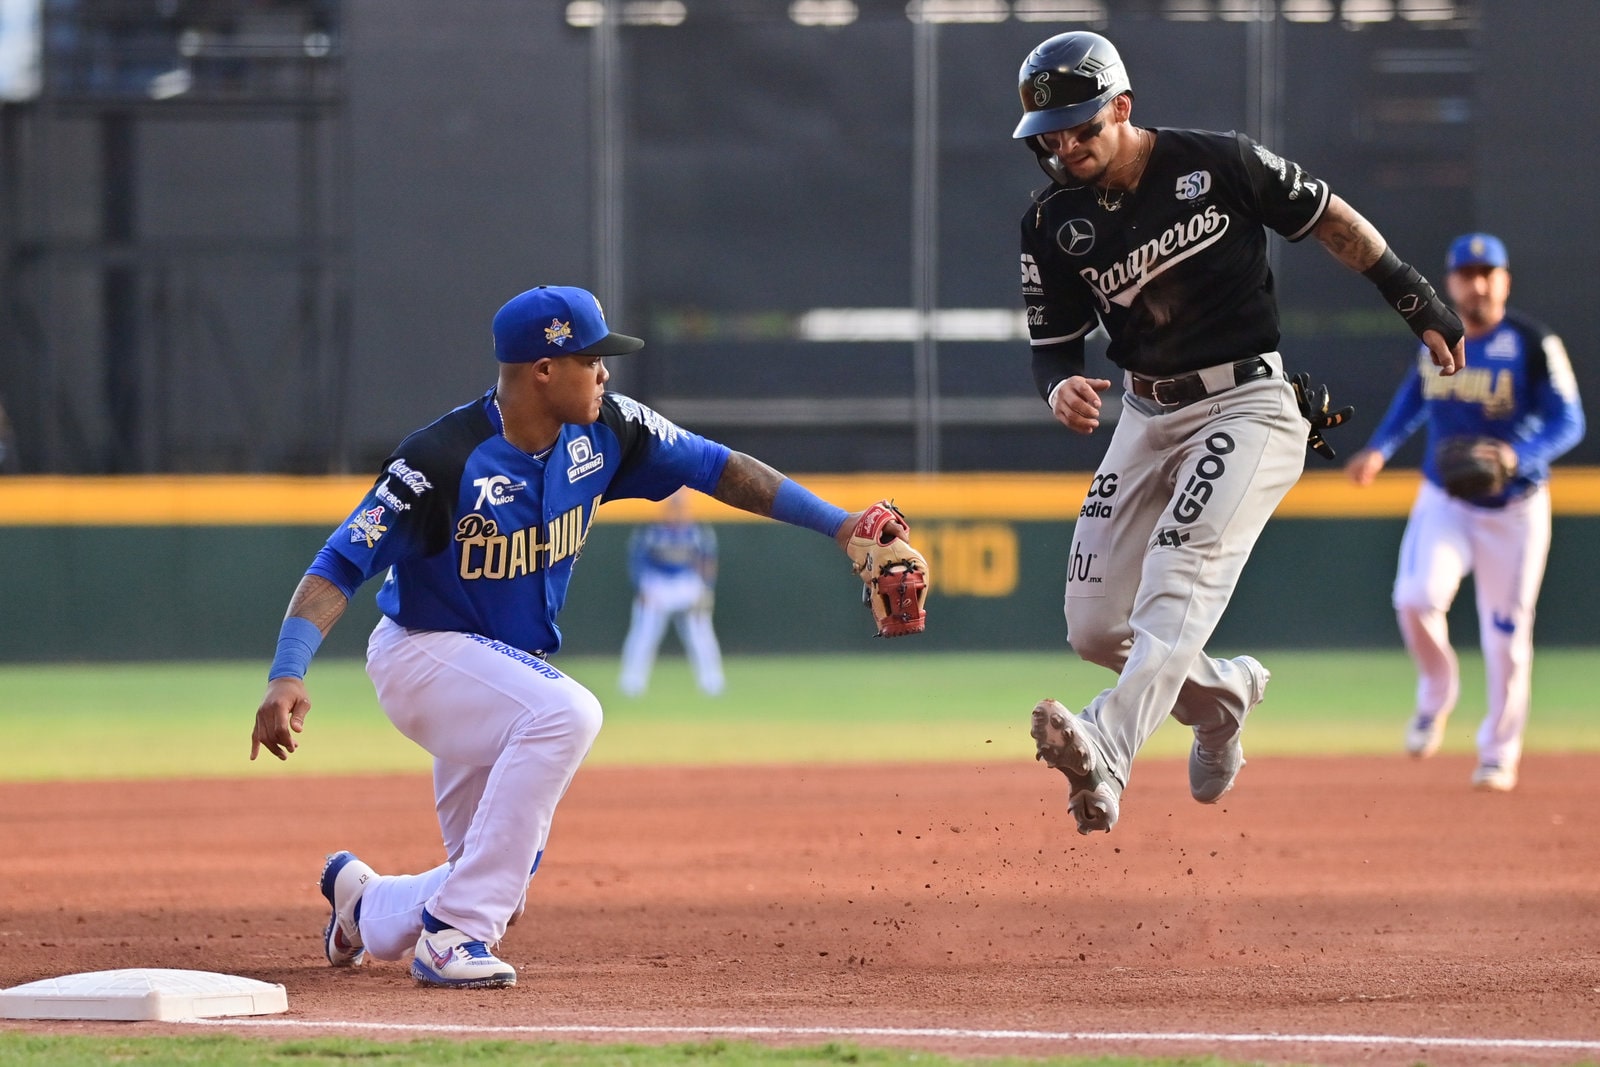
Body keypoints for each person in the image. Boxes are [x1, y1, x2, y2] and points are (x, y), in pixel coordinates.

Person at [249, 284, 919, 988]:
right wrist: (287, 671)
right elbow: (339, 562)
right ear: (544, 369)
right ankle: (451, 937)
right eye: (591, 358)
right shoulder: (442, 459)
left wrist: (842, 524)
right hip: (422, 654)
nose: (605, 373)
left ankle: (363, 901)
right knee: (567, 713)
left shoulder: (609, 431)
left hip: (500, 672)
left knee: (498, 870)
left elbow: (719, 467)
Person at [1012, 31, 1465, 835]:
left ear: (1122, 108)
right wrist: (1059, 389)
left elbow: (1327, 217)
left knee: (1176, 576)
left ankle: (1109, 748)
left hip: (1247, 402)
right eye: (1051, 134)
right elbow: (1053, 347)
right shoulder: (1051, 221)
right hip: (1145, 413)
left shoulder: (1217, 161)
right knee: (1092, 624)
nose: (1067, 146)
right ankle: (1221, 701)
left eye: (1083, 126)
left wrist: (1412, 292)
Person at [1344, 234, 1585, 792]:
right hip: (1444, 499)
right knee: (1414, 599)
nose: (1477, 283)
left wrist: (1516, 455)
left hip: (1515, 508)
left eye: (1488, 272)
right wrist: (1380, 447)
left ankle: (1499, 754)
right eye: (1466, 273)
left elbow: (1569, 422)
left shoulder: (1531, 342)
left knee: (1506, 636)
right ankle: (1437, 690)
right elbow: (1414, 397)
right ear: (1451, 281)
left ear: (1504, 279)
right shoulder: (1439, 335)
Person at [617, 488, 725, 697]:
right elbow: (638, 562)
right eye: (674, 507)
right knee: (644, 633)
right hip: (657, 583)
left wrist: (706, 589)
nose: (677, 511)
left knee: (700, 633)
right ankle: (632, 682)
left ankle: (712, 682)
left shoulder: (698, 531)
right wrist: (642, 588)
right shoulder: (652, 531)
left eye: (681, 507)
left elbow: (706, 562)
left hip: (687, 582)